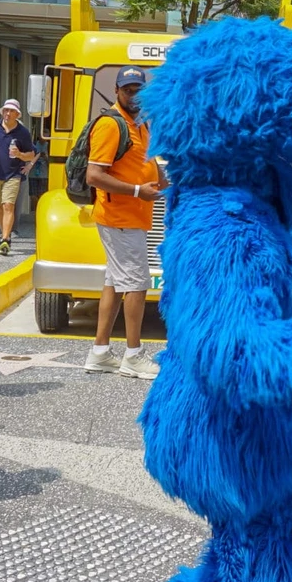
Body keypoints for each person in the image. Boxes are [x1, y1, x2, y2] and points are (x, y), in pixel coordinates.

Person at [83, 67, 164, 376]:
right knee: (136, 285)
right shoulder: (111, 125)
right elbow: (95, 175)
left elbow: (147, 169)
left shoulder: (140, 124)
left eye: (138, 90)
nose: (134, 95)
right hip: (120, 217)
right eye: (127, 89)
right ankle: (133, 355)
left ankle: (100, 352)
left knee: (115, 284)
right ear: (116, 91)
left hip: (131, 217)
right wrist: (136, 191)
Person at [0, 99, 39, 256]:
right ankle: (4, 235)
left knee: (8, 205)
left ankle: (5, 239)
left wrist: (20, 154)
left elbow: (32, 154)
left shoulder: (23, 132)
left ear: (17, 114)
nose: (8, 113)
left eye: (11, 111)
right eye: (6, 110)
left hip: (13, 174)